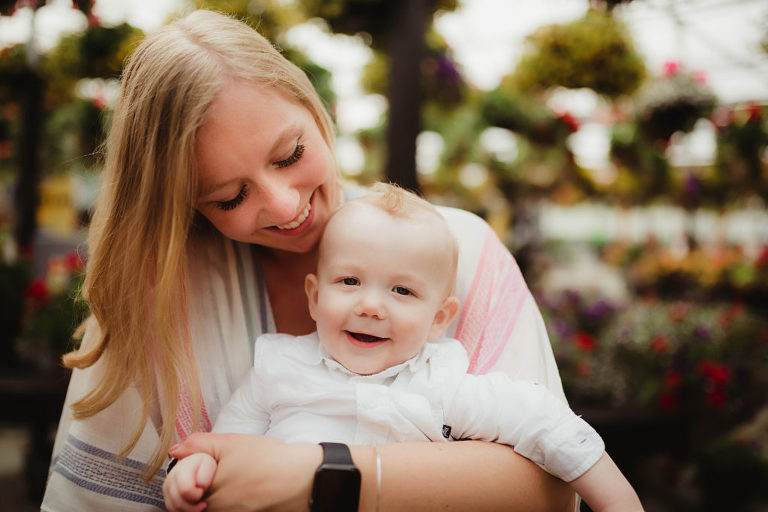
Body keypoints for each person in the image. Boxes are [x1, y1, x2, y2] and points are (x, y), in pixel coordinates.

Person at [44, 9, 579, 512]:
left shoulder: (464, 249)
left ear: (309, 102)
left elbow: (554, 485)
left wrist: (323, 474)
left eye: (290, 155)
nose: (284, 205)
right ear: (183, 202)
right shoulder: (155, 300)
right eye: (228, 197)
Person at [162, 184, 643, 512]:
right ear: (314, 295)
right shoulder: (277, 368)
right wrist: (195, 473)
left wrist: (619, 503)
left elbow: (547, 424)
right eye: (349, 281)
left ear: (440, 319)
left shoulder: (444, 384)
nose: (371, 306)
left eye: (402, 292)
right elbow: (226, 446)